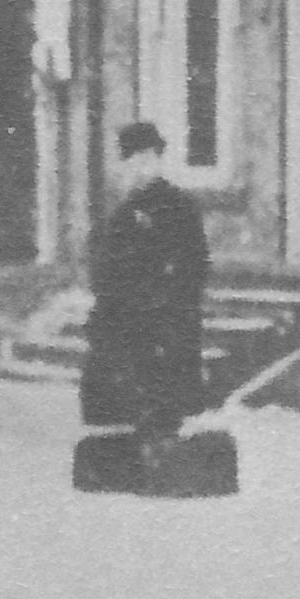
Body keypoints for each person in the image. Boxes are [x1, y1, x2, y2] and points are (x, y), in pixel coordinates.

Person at [81, 118, 210, 448]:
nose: (138, 167)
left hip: (164, 316)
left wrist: (168, 299)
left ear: (157, 158)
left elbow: (194, 263)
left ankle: (162, 446)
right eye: (131, 160)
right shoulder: (125, 210)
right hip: (126, 315)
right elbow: (107, 261)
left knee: (163, 390)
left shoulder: (177, 205)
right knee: (127, 389)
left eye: (145, 159)